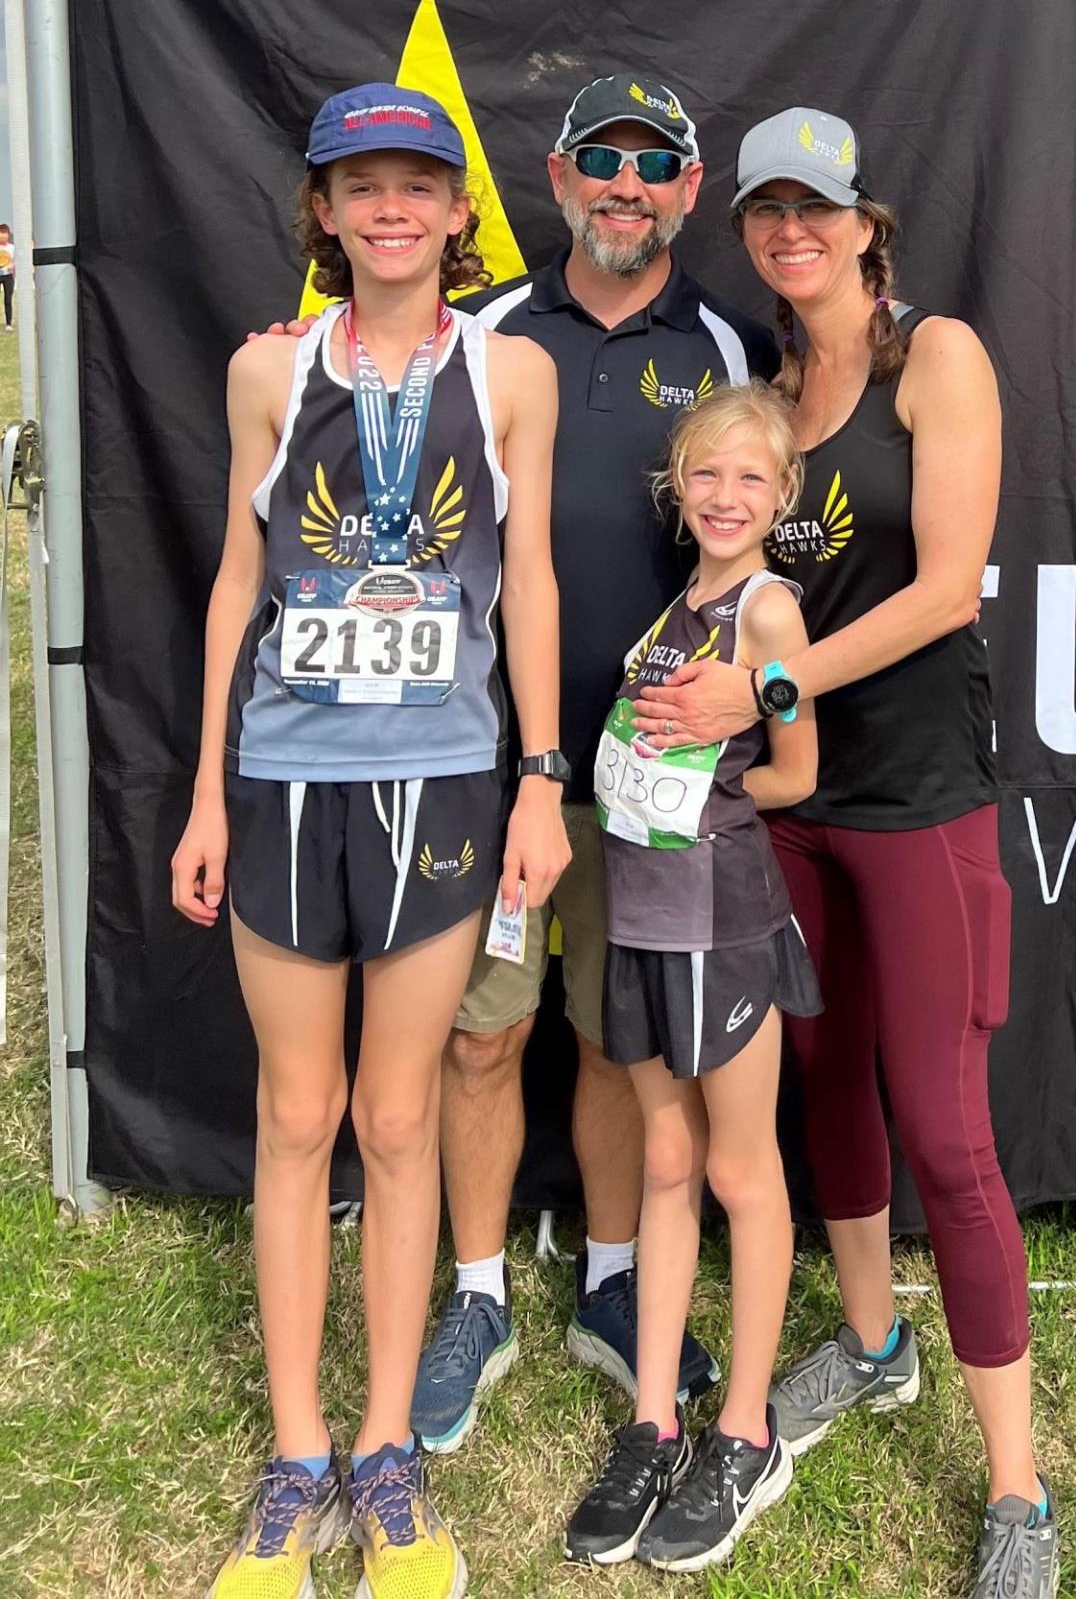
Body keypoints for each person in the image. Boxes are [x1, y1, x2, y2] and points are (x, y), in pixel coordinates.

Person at [630, 108, 1057, 1598]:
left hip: (919, 796)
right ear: (745, 230)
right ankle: (874, 1344)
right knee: (826, 1083)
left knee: (947, 1130)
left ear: (869, 223)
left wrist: (765, 687)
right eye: (766, 212)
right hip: (785, 806)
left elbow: (947, 586)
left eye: (818, 208)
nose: (790, 232)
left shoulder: (933, 356)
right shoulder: (763, 389)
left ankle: (1017, 1487)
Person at [171, 83, 571, 1599]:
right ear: (324, 214)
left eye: (420, 181)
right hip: (283, 774)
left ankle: (389, 1453)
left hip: (448, 780)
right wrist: (207, 788)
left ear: (461, 212)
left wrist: (542, 778)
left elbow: (528, 583)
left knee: (398, 1120)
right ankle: (295, 1458)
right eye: (362, 184)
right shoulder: (265, 371)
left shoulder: (509, 370)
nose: (391, 206)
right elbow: (234, 580)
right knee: (297, 1113)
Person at [409, 75, 780, 1451]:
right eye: (599, 162)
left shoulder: (731, 346)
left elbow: (773, 538)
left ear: (689, 190)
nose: (626, 185)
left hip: (660, 790)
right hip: (497, 764)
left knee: (626, 1044)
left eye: (655, 164)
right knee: (483, 1030)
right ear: (556, 180)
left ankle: (619, 1285)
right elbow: (372, 404)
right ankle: (479, 1290)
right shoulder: (488, 329)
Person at [564, 382, 820, 1571]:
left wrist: (716, 801)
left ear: (783, 497)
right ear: (680, 485)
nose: (726, 497)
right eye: (707, 476)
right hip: (640, 919)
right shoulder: (681, 604)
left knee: (736, 1165)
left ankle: (742, 1428)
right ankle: (652, 1417)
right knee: (666, 1160)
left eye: (751, 480)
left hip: (722, 922)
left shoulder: (766, 610)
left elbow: (793, 763)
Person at [0, 222, 16, 328]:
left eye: (5, 233)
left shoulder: (12, 248)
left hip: (8, 276)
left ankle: (9, 323)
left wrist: (12, 265)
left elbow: (17, 259)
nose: (4, 236)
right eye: (1, 233)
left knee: (8, 299)